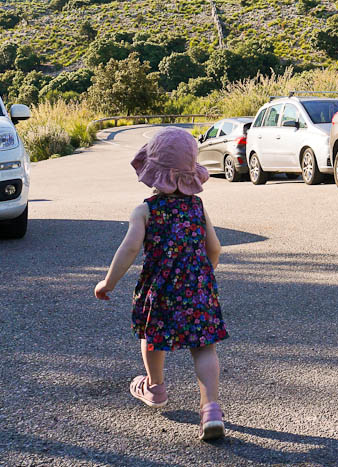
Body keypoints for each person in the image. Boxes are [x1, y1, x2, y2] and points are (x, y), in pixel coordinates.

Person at [94, 127, 229, 440]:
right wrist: (205, 274)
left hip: (160, 290)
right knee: (204, 347)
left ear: (151, 172)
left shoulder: (145, 211)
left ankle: (155, 387)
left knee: (153, 336)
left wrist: (108, 282)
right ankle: (211, 409)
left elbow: (128, 250)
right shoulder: (198, 208)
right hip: (198, 287)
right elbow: (215, 248)